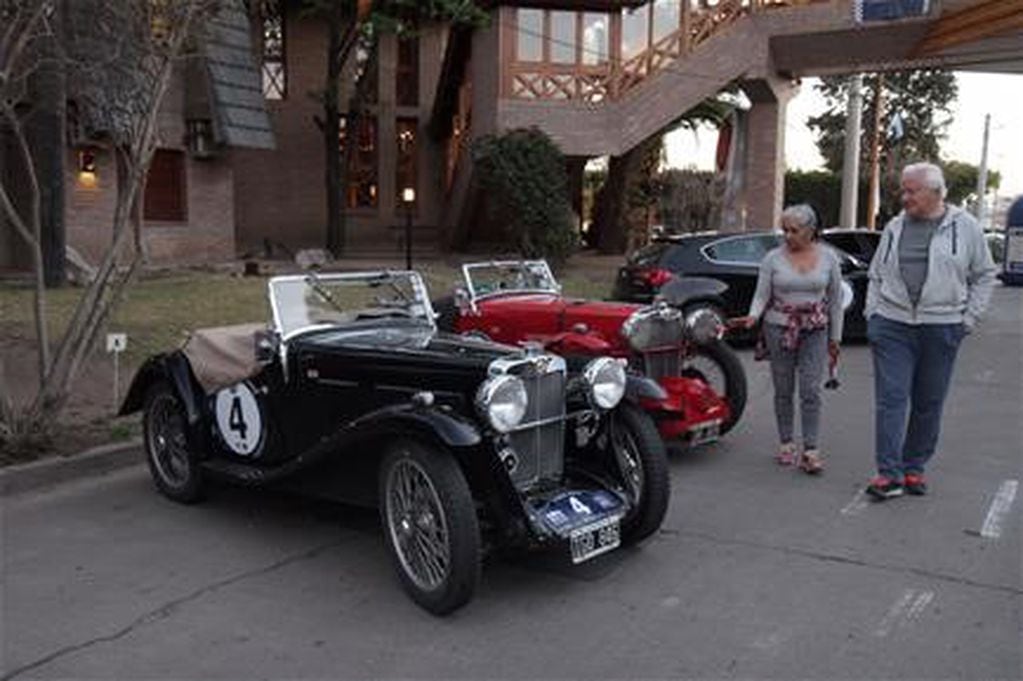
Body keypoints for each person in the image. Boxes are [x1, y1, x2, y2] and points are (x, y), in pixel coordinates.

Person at [863, 162, 997, 500]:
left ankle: (913, 468)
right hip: (892, 324)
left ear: (935, 193)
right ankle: (888, 473)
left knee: (928, 403)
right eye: (903, 190)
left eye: (912, 191)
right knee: (890, 400)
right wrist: (873, 315)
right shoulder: (894, 227)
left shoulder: (965, 227)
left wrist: (968, 320)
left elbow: (984, 274)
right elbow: (876, 275)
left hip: (941, 327)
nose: (904, 197)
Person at [734, 204, 844, 474]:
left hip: (815, 328)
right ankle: (786, 442)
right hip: (778, 328)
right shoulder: (773, 258)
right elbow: (761, 295)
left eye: (794, 230)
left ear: (810, 230)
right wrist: (752, 316)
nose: (788, 236)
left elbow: (836, 300)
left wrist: (836, 338)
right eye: (785, 230)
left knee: (810, 390)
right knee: (783, 389)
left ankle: (810, 449)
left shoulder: (829, 258)